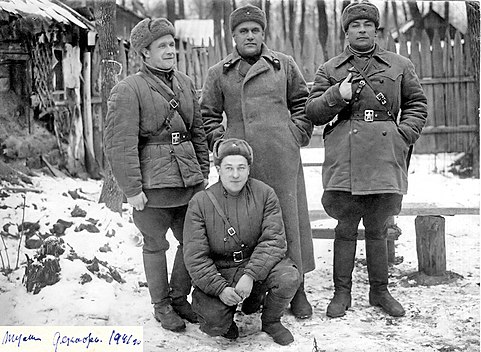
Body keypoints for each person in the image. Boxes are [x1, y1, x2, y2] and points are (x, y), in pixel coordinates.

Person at [306, 1, 427, 318]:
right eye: (354, 26)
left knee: (378, 227)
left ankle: (380, 292)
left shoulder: (399, 65)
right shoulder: (330, 69)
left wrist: (404, 135)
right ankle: (341, 294)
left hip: (384, 157)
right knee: (345, 226)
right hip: (344, 158)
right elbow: (314, 112)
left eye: (367, 25)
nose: (361, 30)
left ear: (376, 30)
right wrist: (337, 96)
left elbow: (416, 104)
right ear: (346, 32)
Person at [200, 4, 315, 319]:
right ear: (233, 36)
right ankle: (256, 289)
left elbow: (302, 103)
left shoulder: (284, 66)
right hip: (240, 164)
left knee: (289, 224)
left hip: (282, 157)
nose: (250, 36)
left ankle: (298, 289)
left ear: (264, 33)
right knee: (248, 225)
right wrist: (222, 146)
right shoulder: (219, 72)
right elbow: (207, 116)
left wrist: (295, 135)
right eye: (243, 31)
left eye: (255, 30)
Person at [103, 18, 210, 332]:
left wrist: (202, 173)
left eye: (171, 44)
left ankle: (179, 298)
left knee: (192, 241)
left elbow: (198, 133)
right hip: (151, 186)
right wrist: (132, 189)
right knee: (154, 245)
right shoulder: (128, 89)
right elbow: (119, 143)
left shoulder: (186, 83)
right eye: (162, 46)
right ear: (144, 53)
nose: (170, 50)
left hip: (188, 182)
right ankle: (161, 305)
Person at [183, 138, 300, 345]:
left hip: (254, 264)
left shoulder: (265, 194)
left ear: (248, 169)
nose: (235, 174)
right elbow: (195, 256)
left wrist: (251, 275)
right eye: (228, 168)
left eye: (241, 167)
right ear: (218, 169)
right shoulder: (200, 202)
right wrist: (220, 288)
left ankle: (271, 321)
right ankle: (226, 321)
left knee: (288, 276)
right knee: (213, 322)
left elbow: (273, 241)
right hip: (221, 269)